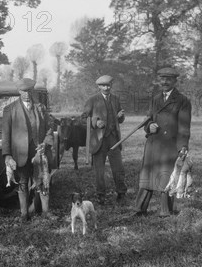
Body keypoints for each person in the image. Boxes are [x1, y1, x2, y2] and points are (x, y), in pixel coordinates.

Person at [135, 67, 192, 218]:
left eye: (169, 79)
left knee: (166, 177)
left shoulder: (182, 101)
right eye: (162, 78)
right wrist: (149, 127)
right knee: (147, 175)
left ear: (175, 81)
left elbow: (184, 127)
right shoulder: (155, 98)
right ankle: (140, 210)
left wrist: (183, 147)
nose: (165, 82)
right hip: (153, 144)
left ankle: (165, 212)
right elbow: (148, 118)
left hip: (170, 145)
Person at [2, 78, 54, 222]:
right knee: (23, 183)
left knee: (43, 181)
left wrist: (45, 143)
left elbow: (50, 128)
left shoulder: (41, 108)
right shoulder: (10, 109)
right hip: (20, 154)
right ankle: (24, 215)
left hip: (40, 153)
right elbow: (5, 135)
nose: (26, 94)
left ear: (33, 91)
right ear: (19, 91)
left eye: (29, 91)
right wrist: (7, 156)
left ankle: (45, 213)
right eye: (23, 91)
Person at [82, 74, 128, 205]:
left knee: (118, 168)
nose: (106, 88)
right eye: (103, 85)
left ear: (111, 86)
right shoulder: (92, 100)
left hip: (114, 139)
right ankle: (100, 195)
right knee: (99, 170)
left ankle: (121, 193)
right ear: (99, 87)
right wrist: (95, 123)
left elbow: (120, 119)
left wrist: (120, 117)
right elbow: (83, 117)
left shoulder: (115, 99)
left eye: (108, 85)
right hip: (99, 141)